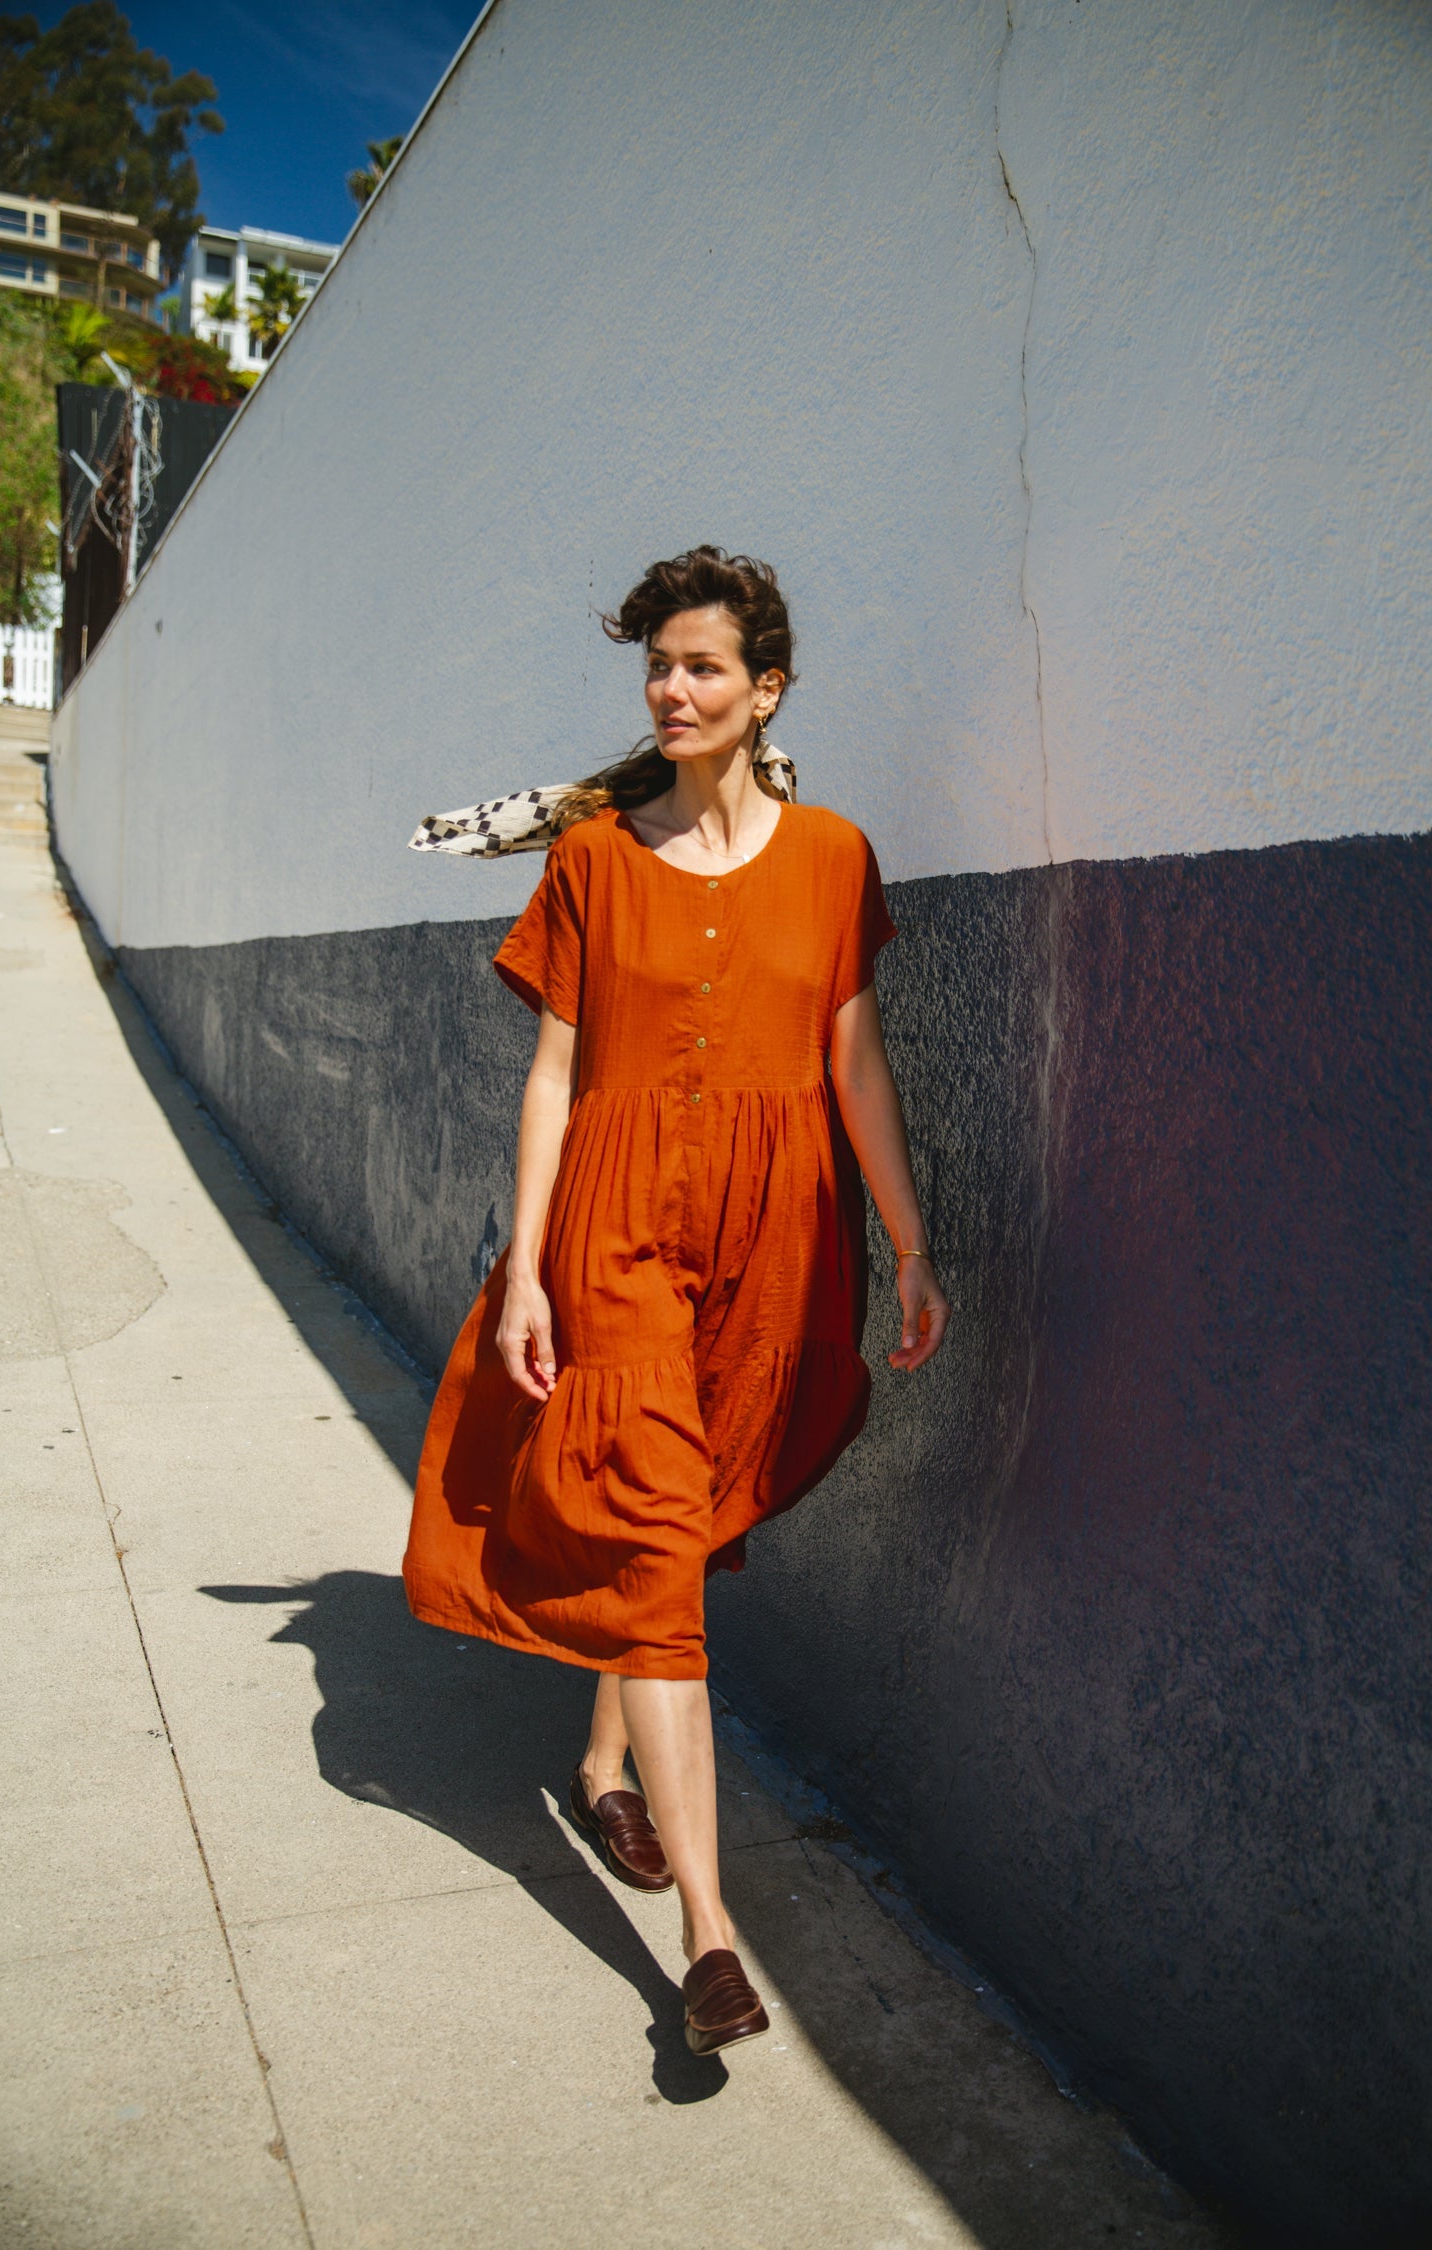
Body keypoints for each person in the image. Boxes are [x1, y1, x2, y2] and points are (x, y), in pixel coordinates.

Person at [403, 546, 949, 2056]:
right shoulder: (592, 859)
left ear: (766, 690)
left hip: (780, 1239)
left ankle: (604, 1767)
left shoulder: (833, 856)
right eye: (657, 666)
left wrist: (909, 1242)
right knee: (650, 1514)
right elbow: (555, 1076)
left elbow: (855, 1061)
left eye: (702, 666)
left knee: (682, 1526)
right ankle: (711, 1936)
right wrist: (526, 1263)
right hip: (616, 1236)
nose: (671, 688)